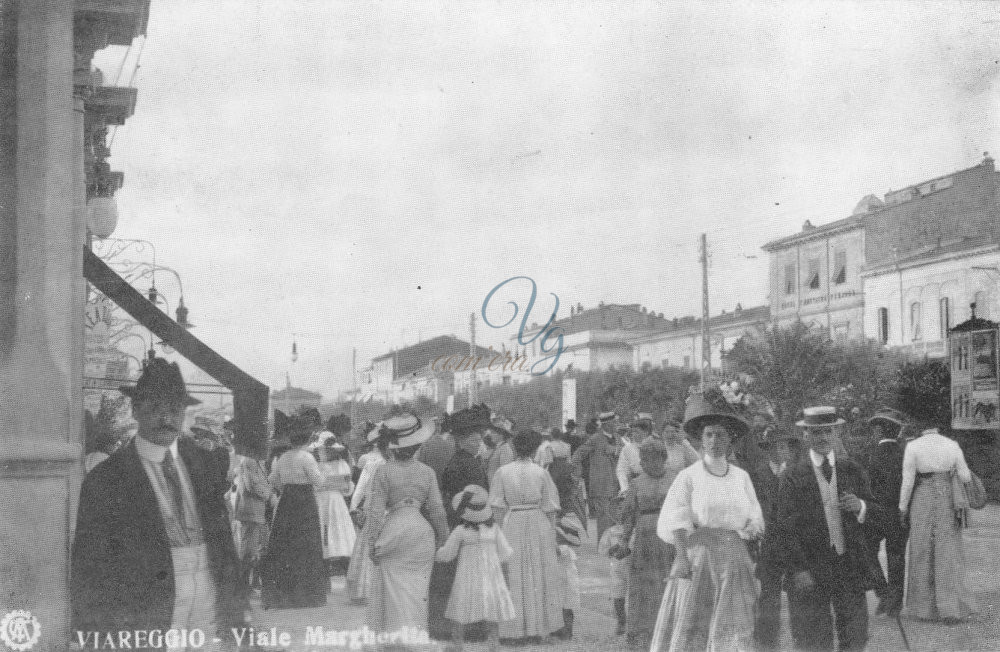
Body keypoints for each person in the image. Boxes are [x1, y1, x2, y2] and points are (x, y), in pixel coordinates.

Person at [71, 358, 243, 650]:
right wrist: (97, 632)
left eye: (175, 408)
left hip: (209, 590)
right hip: (147, 602)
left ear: (184, 412)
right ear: (136, 410)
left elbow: (222, 539)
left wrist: (238, 606)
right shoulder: (106, 478)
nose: (166, 417)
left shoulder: (205, 463)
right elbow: (89, 564)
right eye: (154, 407)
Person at [650, 389, 764, 652]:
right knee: (696, 619)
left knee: (734, 621)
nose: (714, 440)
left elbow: (754, 516)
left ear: (730, 440)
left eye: (720, 434)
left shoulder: (740, 477)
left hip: (735, 557)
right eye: (709, 434)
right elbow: (676, 517)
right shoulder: (689, 476)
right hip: (699, 556)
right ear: (700, 440)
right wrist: (681, 557)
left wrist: (747, 533)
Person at [767, 406, 885, 651]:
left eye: (828, 431)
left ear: (836, 433)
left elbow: (878, 513)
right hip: (810, 567)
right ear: (806, 435)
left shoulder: (852, 469)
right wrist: (798, 569)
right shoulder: (792, 476)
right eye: (816, 432)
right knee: (813, 638)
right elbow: (784, 529)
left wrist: (860, 506)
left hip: (848, 564)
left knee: (855, 636)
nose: (822, 437)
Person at [365, 414, 449, 637]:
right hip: (421, 532)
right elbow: (437, 509)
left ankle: (395, 637)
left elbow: (375, 512)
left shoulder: (383, 471)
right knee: (417, 590)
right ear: (417, 445)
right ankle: (415, 636)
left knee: (393, 590)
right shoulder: (427, 472)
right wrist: (444, 536)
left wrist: (371, 541)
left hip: (394, 530)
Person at [489, 429, 565, 642]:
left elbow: (496, 507)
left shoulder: (502, 472)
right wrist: (552, 536)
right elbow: (550, 507)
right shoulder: (541, 472)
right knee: (537, 573)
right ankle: (535, 629)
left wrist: (498, 534)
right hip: (537, 522)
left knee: (514, 573)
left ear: (514, 447)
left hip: (512, 522)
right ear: (534, 449)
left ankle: (513, 631)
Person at [898, 426, 976, 622]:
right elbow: (965, 476)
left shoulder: (913, 446)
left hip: (922, 498)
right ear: (938, 427)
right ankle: (949, 609)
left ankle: (924, 608)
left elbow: (908, 481)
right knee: (947, 551)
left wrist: (902, 507)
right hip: (946, 499)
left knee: (922, 550)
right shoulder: (952, 444)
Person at [430, 405, 492, 641]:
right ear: (462, 440)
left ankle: (456, 627)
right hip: (469, 521)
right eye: (475, 439)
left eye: (479, 438)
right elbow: (471, 496)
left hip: (461, 520)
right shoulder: (466, 464)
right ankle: (471, 628)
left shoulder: (462, 461)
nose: (479, 442)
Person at [434, 485, 516, 652]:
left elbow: (447, 554)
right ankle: (493, 643)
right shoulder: (494, 529)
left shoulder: (460, 531)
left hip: (467, 573)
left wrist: (438, 552)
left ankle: (458, 643)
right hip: (490, 573)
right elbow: (506, 552)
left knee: (460, 604)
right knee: (491, 605)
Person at [260, 426, 330, 609]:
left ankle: (284, 592)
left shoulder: (283, 457)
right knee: (306, 545)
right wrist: (324, 467)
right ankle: (306, 595)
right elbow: (319, 482)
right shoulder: (307, 457)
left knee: (285, 544)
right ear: (306, 440)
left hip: (287, 500)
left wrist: (284, 488)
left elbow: (272, 478)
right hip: (305, 501)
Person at [619, 437, 676, 648]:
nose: (643, 463)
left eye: (649, 459)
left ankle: (669, 629)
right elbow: (628, 516)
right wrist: (624, 541)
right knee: (643, 586)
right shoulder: (636, 483)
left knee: (667, 582)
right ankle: (643, 631)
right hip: (644, 540)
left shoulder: (675, 480)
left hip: (669, 538)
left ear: (662, 458)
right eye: (642, 459)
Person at [750, 426, 799, 650]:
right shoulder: (756, 475)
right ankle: (767, 642)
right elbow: (752, 509)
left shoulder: (799, 473)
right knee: (769, 594)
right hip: (769, 542)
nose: (780, 451)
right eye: (775, 447)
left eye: (783, 446)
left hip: (796, 545)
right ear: (767, 450)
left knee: (799, 591)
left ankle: (802, 639)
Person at [865, 408, 911, 617]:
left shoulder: (874, 453)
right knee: (896, 557)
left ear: (882, 430)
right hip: (900, 513)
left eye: (875, 429)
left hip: (877, 512)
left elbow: (870, 485)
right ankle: (895, 602)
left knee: (866, 551)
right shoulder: (905, 452)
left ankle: (883, 592)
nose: (873, 433)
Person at [346, 424, 390, 604]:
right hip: (384, 510)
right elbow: (361, 488)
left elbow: (360, 489)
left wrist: (354, 507)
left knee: (368, 548)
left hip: (374, 509)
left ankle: (367, 589)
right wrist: (355, 507)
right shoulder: (383, 465)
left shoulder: (372, 465)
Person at [572, 411, 624, 541]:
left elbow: (624, 454)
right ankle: (603, 545)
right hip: (601, 484)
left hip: (616, 483)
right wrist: (574, 471)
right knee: (604, 516)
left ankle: (612, 544)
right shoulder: (595, 438)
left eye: (615, 423)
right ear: (606, 425)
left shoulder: (618, 438)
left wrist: (616, 450)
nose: (616, 425)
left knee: (615, 514)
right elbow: (579, 454)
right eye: (613, 423)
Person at [232, 443, 275, 595]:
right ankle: (243, 585)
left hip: (255, 510)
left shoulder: (256, 461)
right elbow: (253, 485)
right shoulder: (250, 461)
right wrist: (269, 494)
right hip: (251, 510)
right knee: (248, 548)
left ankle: (246, 584)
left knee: (253, 547)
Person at [316, 440, 357, 578]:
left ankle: (345, 568)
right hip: (321, 501)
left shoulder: (341, 464)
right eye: (321, 450)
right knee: (323, 530)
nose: (323, 453)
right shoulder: (317, 466)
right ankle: (324, 567)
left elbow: (346, 485)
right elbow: (315, 484)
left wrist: (333, 484)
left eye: (326, 450)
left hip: (334, 501)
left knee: (338, 529)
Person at [597, 495, 630, 636]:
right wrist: (614, 548)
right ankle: (621, 622)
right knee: (618, 595)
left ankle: (635, 622)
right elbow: (603, 550)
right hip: (618, 567)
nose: (620, 512)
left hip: (634, 565)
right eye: (617, 509)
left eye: (623, 509)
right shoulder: (610, 532)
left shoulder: (635, 529)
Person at [551, 514, 584, 641]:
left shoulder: (566, 548)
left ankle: (567, 631)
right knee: (559, 600)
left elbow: (575, 541)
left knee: (567, 600)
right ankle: (561, 630)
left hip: (565, 571)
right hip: (557, 570)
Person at [617, 413, 653, 492]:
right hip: (635, 487)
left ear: (645, 432)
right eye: (633, 432)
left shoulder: (654, 445)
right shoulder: (627, 449)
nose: (633, 434)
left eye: (637, 432)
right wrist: (624, 488)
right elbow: (621, 470)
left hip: (654, 485)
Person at [415, 416, 455, 484]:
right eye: (435, 425)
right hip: (441, 483)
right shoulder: (449, 443)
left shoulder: (424, 444)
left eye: (438, 425)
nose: (437, 428)